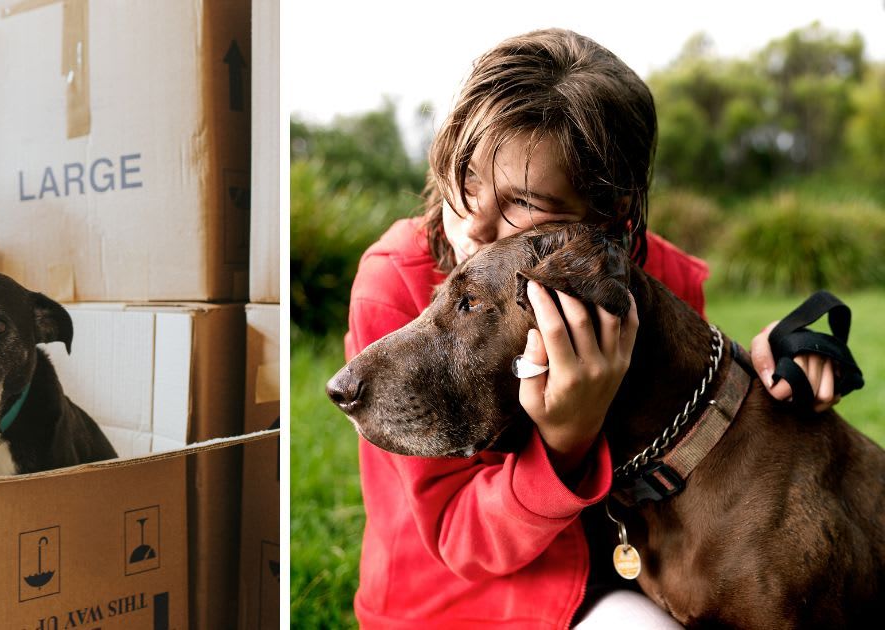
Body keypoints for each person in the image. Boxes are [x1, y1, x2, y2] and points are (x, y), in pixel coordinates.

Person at [344, 28, 841, 629]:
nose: (472, 223)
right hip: (471, 597)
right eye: (467, 179)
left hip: (627, 566)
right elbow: (457, 533)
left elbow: (689, 411)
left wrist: (761, 369)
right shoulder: (394, 283)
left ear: (611, 213)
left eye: (523, 202)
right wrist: (565, 440)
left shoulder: (656, 280)